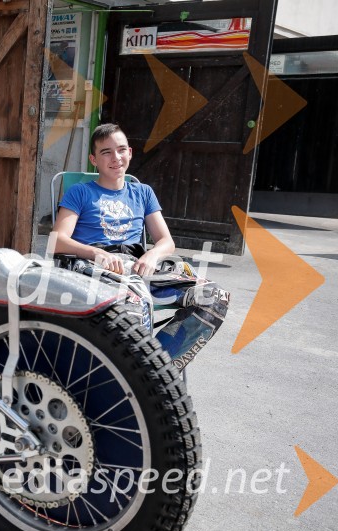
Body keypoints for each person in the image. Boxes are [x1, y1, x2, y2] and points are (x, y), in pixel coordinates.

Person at [52, 123, 229, 371]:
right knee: (135, 304)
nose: (116, 158)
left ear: (130, 153)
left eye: (121, 150)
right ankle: (136, 379)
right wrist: (96, 252)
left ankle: (157, 370)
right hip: (95, 265)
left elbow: (166, 241)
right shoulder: (80, 192)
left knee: (213, 297)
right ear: (93, 159)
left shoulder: (143, 193)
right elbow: (58, 240)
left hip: (138, 265)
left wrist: (152, 255)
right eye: (106, 152)